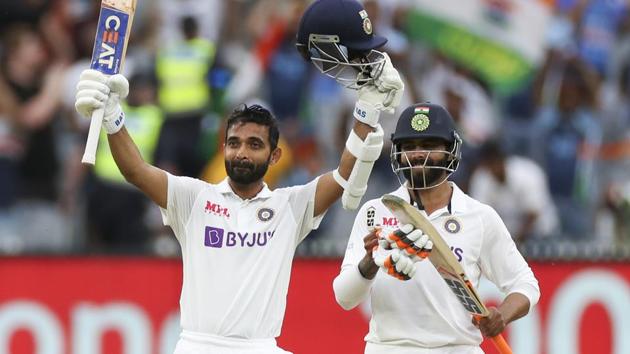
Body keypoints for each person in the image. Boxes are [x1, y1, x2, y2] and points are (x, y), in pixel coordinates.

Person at [74, 0, 403, 353]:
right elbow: (136, 170)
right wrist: (112, 116)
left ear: (274, 155)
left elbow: (343, 176)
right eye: (233, 143)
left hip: (260, 346)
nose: (241, 152)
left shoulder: (289, 207)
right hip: (199, 346)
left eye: (254, 144)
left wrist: (368, 108)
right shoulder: (194, 198)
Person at [333, 103, 540, 354]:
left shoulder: (479, 217)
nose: (419, 154)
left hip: (458, 348)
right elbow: (345, 298)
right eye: (409, 147)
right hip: (389, 347)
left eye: (430, 146)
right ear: (397, 153)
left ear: (451, 150)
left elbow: (525, 284)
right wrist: (370, 261)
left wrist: (502, 315)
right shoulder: (375, 212)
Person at [469, 140, 559, 244]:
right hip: (506, 239)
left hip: (541, 235)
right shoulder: (482, 177)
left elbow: (533, 214)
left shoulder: (528, 172)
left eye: (494, 162)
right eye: (488, 164)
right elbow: (480, 216)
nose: (492, 168)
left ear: (502, 160)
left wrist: (514, 244)